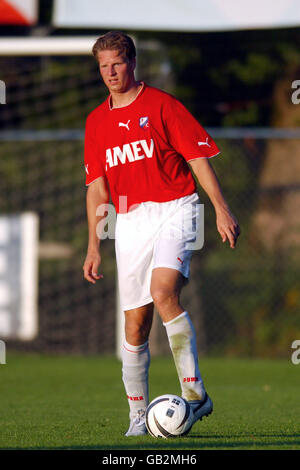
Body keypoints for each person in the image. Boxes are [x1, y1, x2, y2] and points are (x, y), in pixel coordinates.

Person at [83, 31, 240, 436]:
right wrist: (93, 246)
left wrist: (221, 209)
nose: (110, 72)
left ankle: (194, 391)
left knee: (164, 291)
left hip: (176, 207)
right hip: (130, 221)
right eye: (103, 66)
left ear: (132, 62)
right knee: (135, 326)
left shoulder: (163, 105)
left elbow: (198, 159)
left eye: (117, 63)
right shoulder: (97, 122)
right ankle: (138, 416)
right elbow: (97, 189)